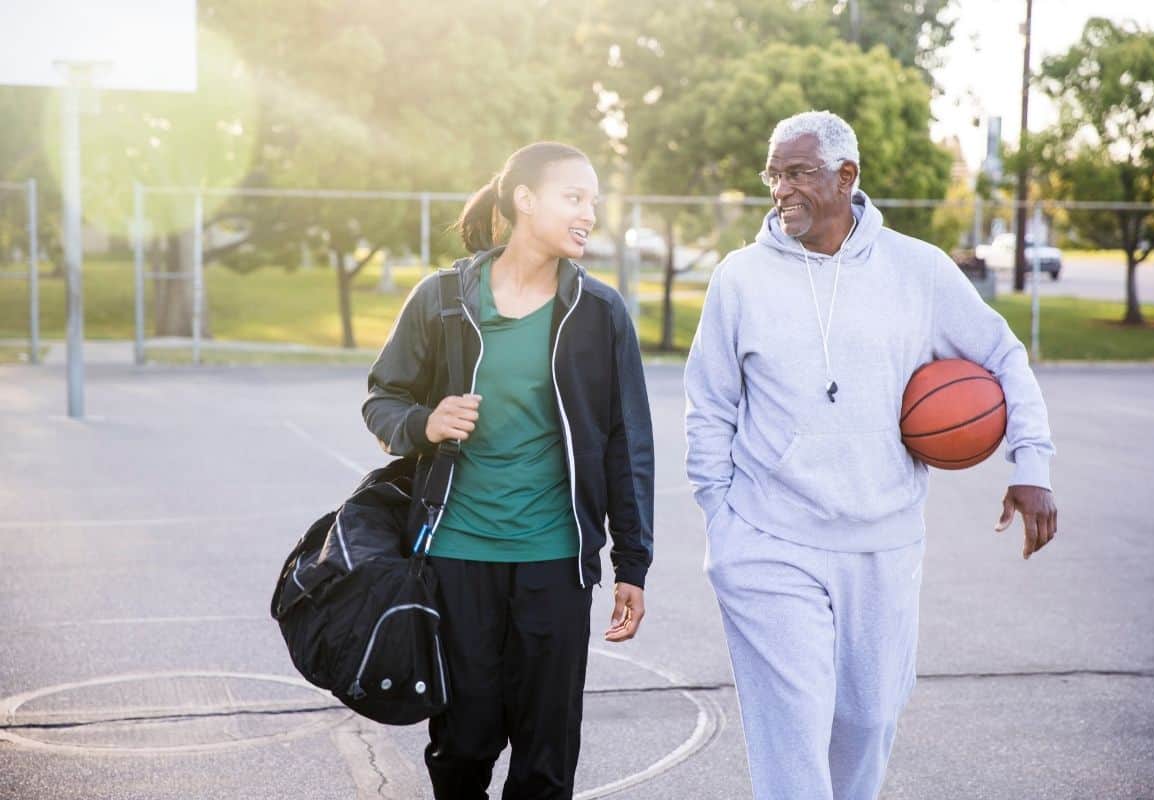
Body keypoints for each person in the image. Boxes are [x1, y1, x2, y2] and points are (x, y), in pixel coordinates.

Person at [684, 110, 1057, 800]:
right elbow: (707, 407)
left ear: (846, 176)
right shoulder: (739, 279)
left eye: (797, 172)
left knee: (866, 720)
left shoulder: (918, 270)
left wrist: (1030, 463)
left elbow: (1002, 355)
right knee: (792, 734)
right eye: (774, 174)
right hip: (768, 541)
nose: (780, 188)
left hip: (882, 541)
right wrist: (722, 523)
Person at [362, 141, 654, 800]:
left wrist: (632, 563)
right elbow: (383, 397)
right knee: (463, 744)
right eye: (574, 198)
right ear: (524, 199)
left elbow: (626, 443)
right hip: (458, 554)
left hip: (555, 558)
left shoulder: (599, 313)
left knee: (547, 756)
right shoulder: (442, 301)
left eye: (594, 203)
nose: (589, 214)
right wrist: (423, 424)